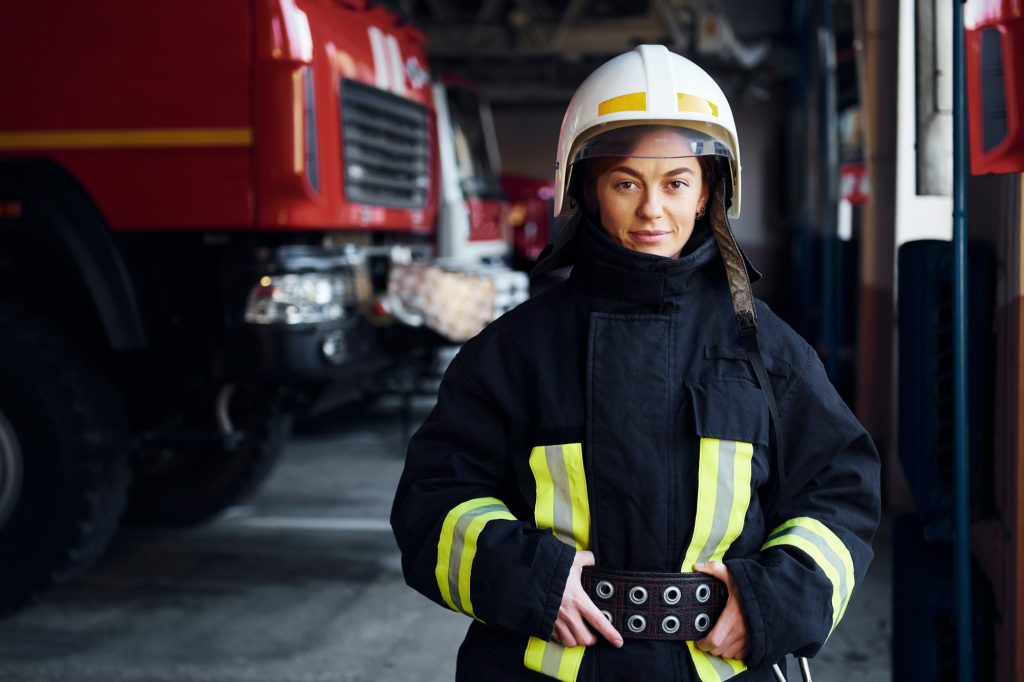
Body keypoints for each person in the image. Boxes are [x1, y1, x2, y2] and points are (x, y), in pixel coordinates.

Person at [391, 44, 880, 682]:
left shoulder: (770, 353)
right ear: (587, 191)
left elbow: (839, 494)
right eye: (627, 182)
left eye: (677, 182)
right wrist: (529, 578)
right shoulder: (512, 353)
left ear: (709, 193)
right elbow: (434, 501)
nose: (653, 208)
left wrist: (771, 603)